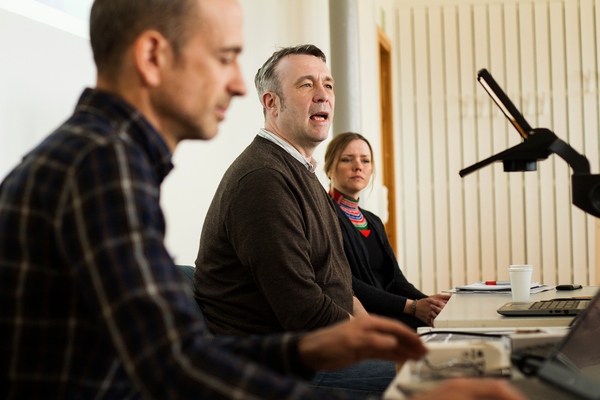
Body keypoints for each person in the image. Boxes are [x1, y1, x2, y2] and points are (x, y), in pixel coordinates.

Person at [0, 0, 527, 399]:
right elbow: (175, 367)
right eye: (225, 58)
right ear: (153, 56)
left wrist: (314, 347)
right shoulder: (101, 167)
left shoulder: (101, 155)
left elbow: (176, 351)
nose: (235, 85)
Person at [194, 44, 366, 339]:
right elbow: (304, 313)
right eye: (306, 84)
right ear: (272, 103)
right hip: (277, 362)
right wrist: (378, 346)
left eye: (328, 84)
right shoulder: (264, 179)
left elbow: (341, 289)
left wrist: (377, 331)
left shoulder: (302, 171)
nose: (323, 94)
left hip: (323, 344)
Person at [324, 132, 450, 329]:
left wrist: (431, 303)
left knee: (445, 322)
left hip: (393, 309)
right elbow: (347, 284)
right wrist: (414, 307)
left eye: (365, 160)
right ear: (329, 167)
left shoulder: (373, 220)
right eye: (347, 159)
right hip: (361, 317)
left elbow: (396, 280)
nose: (358, 166)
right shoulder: (324, 216)